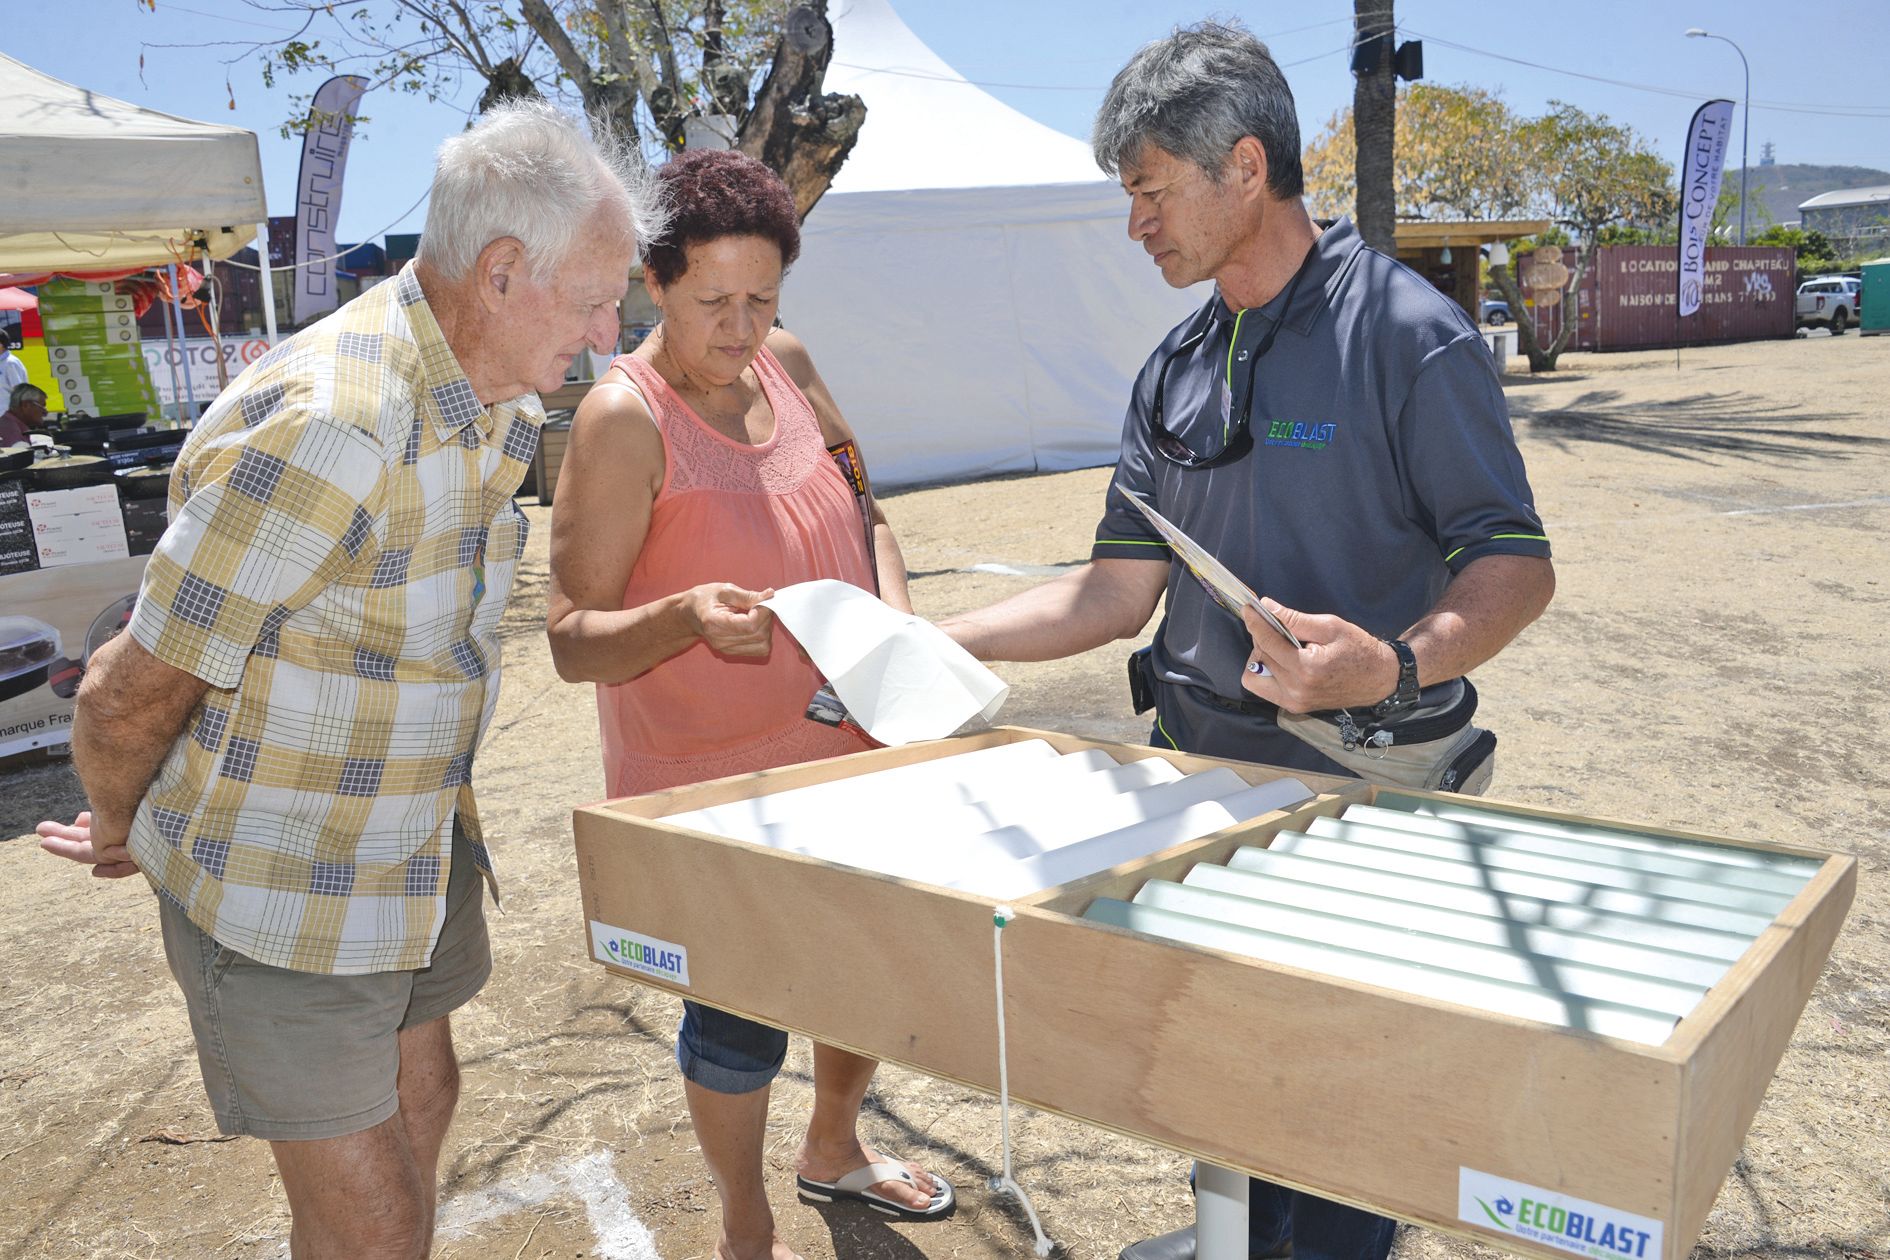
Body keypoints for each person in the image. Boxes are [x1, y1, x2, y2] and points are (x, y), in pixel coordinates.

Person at [938, 21, 1555, 1260]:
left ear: (1247, 167)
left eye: (1151, 191)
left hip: (1356, 803)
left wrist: (1393, 664)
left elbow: (1516, 565)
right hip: (1198, 793)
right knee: (1219, 1071)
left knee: (1337, 1107)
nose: (1135, 224)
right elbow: (1112, 595)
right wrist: (929, 639)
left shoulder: (1405, 334)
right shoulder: (1172, 366)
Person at [36, 99, 662, 1260]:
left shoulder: (492, 397)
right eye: (593, 300)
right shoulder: (336, 425)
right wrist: (123, 822)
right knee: (376, 1219)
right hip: (287, 880)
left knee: (424, 1102)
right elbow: (127, 687)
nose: (607, 332)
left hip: (408, 847)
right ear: (501, 273)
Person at [545, 148, 947, 1260]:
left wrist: (898, 620)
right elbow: (570, 641)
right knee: (736, 1020)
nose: (741, 329)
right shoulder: (621, 419)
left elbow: (868, 512)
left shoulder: (791, 364)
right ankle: (746, 1223)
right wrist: (682, 618)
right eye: (712, 302)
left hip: (853, 751)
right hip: (713, 792)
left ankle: (835, 1147)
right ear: (655, 281)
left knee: (865, 969)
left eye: (762, 299)